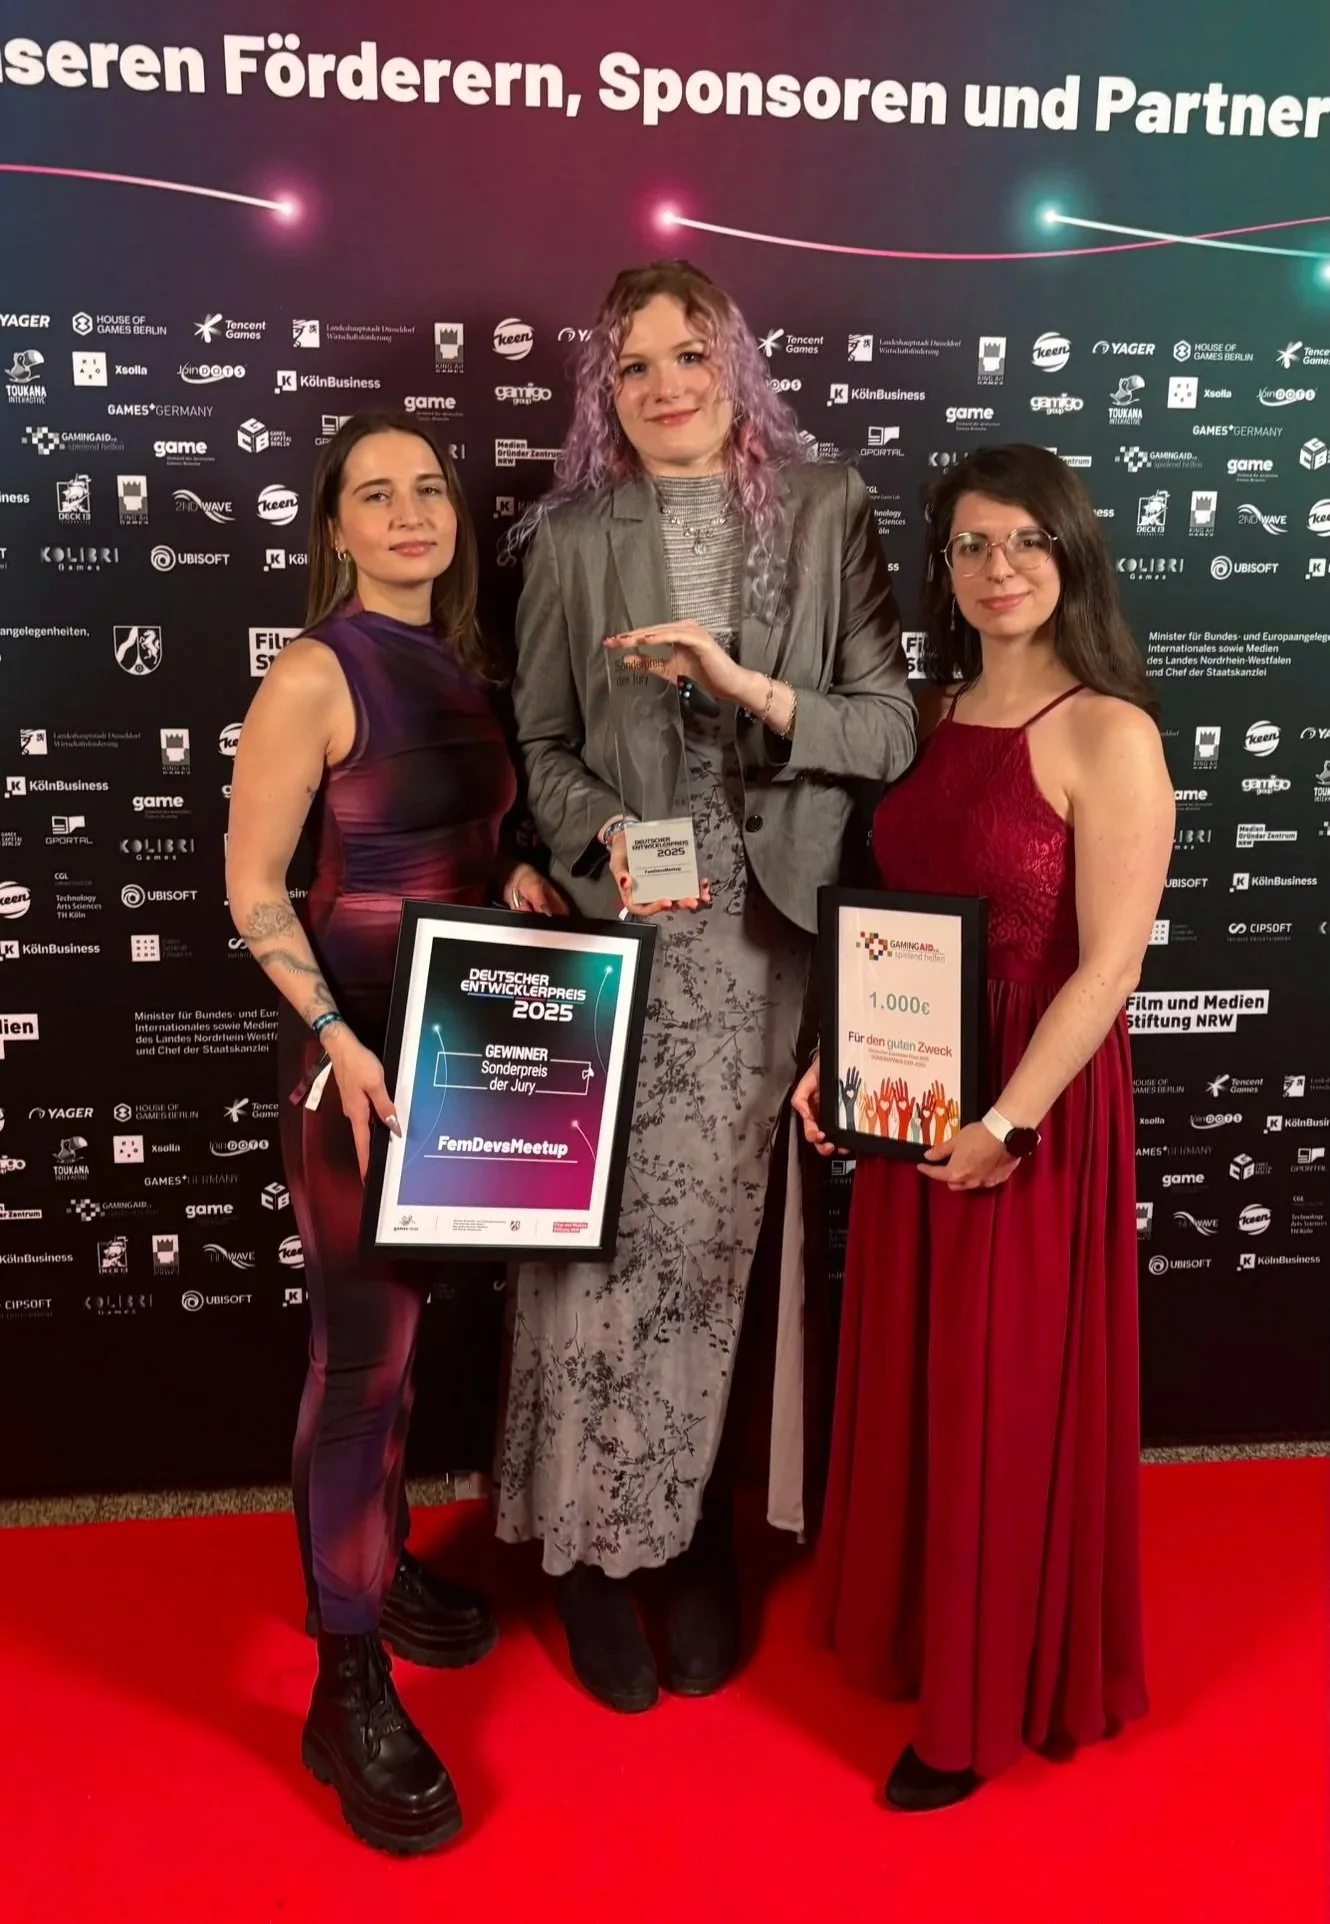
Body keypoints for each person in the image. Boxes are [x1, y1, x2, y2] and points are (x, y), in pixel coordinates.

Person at [497, 260, 916, 1714]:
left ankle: (688, 1546)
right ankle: (585, 1551)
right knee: (590, 1251)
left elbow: (884, 730)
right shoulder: (567, 538)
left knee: (719, 1251)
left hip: (762, 937)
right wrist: (596, 837)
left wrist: (742, 688)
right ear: (601, 395)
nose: (666, 386)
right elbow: (540, 742)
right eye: (634, 367)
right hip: (623, 929)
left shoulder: (821, 510)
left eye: (691, 355)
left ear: (734, 366)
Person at [796, 443, 1174, 1811]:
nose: (996, 566)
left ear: (1067, 553)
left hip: (1029, 1113)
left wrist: (1009, 1121)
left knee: (996, 1391)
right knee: (918, 1376)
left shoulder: (1108, 731)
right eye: (967, 544)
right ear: (941, 570)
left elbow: (1109, 964)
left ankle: (976, 1703)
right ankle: (912, 1632)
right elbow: (892, 926)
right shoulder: (929, 707)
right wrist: (839, 1055)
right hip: (911, 1096)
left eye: (1022, 539)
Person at [226, 411, 563, 1854]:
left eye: (429, 489)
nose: (411, 511)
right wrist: (337, 1040)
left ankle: (387, 1568)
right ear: (338, 528)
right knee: (359, 1363)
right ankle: (343, 1680)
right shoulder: (314, 670)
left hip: (462, 1043)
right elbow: (251, 890)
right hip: (354, 1062)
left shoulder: (472, 676)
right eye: (378, 494)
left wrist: (529, 879)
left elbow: (468, 847)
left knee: (410, 1338)